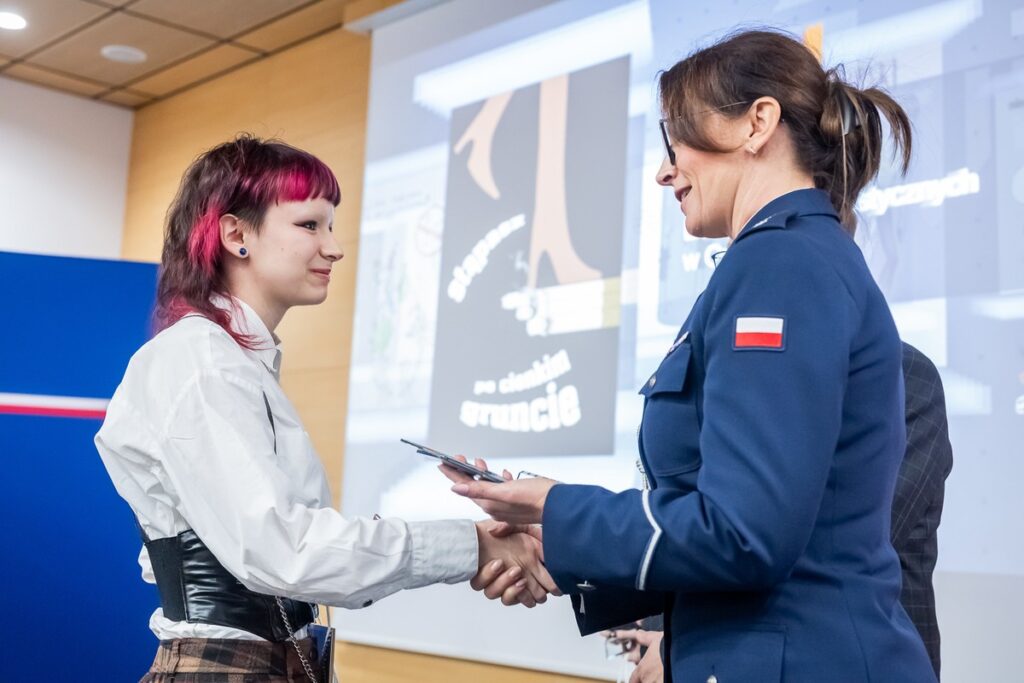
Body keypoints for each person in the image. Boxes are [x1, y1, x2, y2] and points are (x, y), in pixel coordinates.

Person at [444, 29, 937, 681]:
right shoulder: (787, 257)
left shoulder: (779, 263)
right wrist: (553, 548)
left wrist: (557, 509)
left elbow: (742, 532)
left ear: (757, 122)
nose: (665, 168)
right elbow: (772, 528)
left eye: (676, 137)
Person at [95, 135, 554, 683]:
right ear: (236, 234)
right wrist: (474, 544)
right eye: (310, 225)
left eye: (330, 227)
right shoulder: (199, 360)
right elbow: (289, 554)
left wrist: (481, 545)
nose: (333, 247)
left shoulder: (232, 362)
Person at [607, 341, 954, 682]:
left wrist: (674, 646)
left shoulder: (902, 373)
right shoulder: (756, 388)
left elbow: (823, 559)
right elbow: (713, 525)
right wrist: (630, 605)